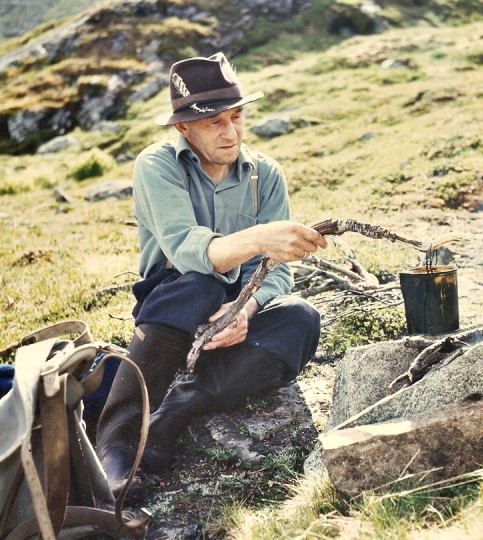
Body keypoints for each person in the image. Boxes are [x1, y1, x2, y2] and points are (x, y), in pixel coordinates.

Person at [95, 52, 328, 502]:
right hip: (174, 305)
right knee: (199, 284)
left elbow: (275, 274)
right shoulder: (157, 164)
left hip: (234, 312)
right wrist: (260, 237)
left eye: (236, 116)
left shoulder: (265, 174)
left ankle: (172, 413)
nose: (231, 132)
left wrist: (246, 308)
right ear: (184, 127)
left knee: (300, 318)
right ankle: (118, 439)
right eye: (214, 122)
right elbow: (188, 249)